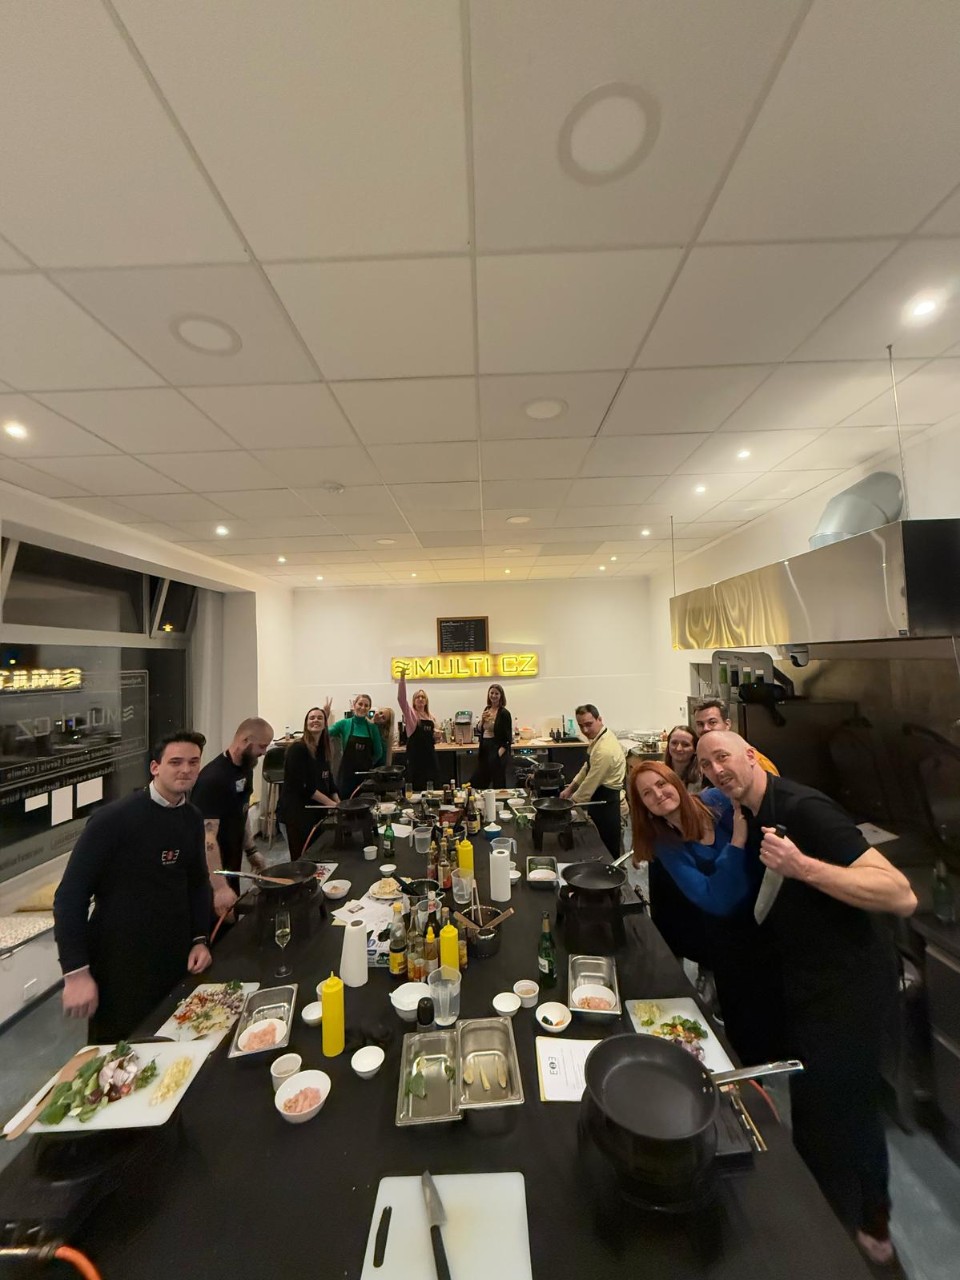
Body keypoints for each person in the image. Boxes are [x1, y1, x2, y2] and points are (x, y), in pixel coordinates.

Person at [697, 730, 917, 1269]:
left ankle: (866, 1235)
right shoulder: (752, 810)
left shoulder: (803, 807)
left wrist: (802, 866)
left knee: (845, 1113)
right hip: (806, 983)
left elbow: (900, 894)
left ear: (751, 755)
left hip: (848, 987)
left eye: (723, 757)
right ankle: (835, 1226)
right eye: (706, 765)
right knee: (819, 1113)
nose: (716, 770)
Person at [53, 732, 213, 1042]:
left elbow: (197, 883)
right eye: (175, 762)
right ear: (155, 767)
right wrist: (76, 972)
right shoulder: (112, 820)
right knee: (119, 1049)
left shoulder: (192, 818)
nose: (186, 770)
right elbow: (70, 896)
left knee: (172, 1037)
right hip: (119, 960)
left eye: (193, 762)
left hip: (173, 953)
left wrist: (200, 939)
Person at [627, 759, 768, 1060]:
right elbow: (712, 899)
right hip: (730, 934)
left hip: (767, 917)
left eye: (661, 784)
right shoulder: (666, 843)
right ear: (644, 807)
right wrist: (738, 841)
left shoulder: (717, 801)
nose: (658, 795)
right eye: (647, 794)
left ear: (675, 782)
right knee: (744, 1024)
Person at [192, 717, 274, 917]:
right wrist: (220, 887)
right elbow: (206, 837)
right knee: (218, 926)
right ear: (245, 740)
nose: (264, 752)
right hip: (211, 872)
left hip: (232, 863)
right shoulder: (213, 779)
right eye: (262, 746)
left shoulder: (246, 769)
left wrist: (251, 851)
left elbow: (242, 811)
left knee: (232, 921)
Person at [560, 704, 626, 858]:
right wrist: (570, 788)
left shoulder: (605, 749)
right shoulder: (599, 738)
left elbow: (591, 782)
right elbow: (587, 767)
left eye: (589, 724)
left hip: (609, 804)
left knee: (610, 852)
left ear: (599, 719)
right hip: (599, 800)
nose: (585, 730)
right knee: (600, 846)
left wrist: (570, 803)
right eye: (581, 726)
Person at [278, 707, 338, 859]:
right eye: (312, 718)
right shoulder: (297, 749)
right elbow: (304, 787)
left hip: (315, 812)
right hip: (297, 814)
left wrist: (339, 803)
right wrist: (332, 804)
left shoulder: (323, 750)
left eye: (319, 718)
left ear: (325, 724)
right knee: (301, 859)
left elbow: (329, 780)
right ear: (306, 723)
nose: (315, 720)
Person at [693, 698, 779, 775]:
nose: (706, 728)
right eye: (700, 724)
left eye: (712, 722)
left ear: (727, 724)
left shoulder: (754, 760)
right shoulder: (700, 762)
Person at [328, 693, 384, 798]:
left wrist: (367, 764)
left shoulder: (373, 728)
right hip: (346, 776)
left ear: (369, 708)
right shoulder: (344, 724)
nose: (363, 707)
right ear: (354, 705)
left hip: (365, 777)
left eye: (366, 705)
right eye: (360, 704)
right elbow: (325, 733)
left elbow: (378, 753)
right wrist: (325, 716)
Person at [397, 670, 441, 789]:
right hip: (416, 759)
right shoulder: (411, 715)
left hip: (430, 757)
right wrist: (402, 678)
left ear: (426, 701)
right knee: (417, 787)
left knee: (433, 786)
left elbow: (433, 738)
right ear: (414, 701)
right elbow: (401, 699)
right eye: (417, 697)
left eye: (423, 697)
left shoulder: (431, 717)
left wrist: (437, 737)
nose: (420, 699)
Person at [472, 684, 512, 789]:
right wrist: (482, 720)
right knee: (480, 779)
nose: (493, 696)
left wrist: (498, 754)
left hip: (496, 747)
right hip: (485, 747)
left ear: (501, 696)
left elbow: (508, 738)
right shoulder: (487, 709)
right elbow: (480, 729)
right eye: (492, 693)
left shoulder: (504, 713)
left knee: (498, 781)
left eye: (496, 693)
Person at [663, 724, 702, 793]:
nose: (679, 749)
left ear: (695, 749)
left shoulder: (702, 778)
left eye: (685, 745)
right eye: (674, 743)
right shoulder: (659, 773)